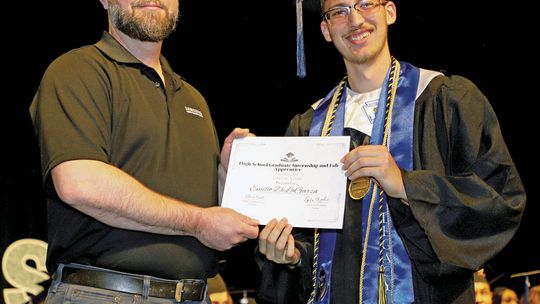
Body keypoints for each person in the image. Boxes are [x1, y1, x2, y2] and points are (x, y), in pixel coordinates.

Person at [256, 0, 526, 303]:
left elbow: (500, 203)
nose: (355, 19)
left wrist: (406, 185)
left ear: (390, 11)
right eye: (339, 11)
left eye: (366, 3)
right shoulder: (308, 127)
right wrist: (291, 256)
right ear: (326, 29)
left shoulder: (445, 100)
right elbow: (309, 244)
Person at [29, 0, 259, 303]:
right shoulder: (77, 70)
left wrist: (226, 175)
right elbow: (79, 183)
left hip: (195, 295)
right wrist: (198, 221)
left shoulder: (192, 98)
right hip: (104, 294)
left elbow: (206, 216)